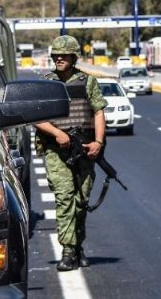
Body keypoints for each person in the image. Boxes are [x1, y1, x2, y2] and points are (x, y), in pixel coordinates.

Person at [35, 35, 108, 271]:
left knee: (81, 201)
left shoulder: (88, 82)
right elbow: (35, 116)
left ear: (73, 57)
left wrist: (98, 142)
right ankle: (67, 251)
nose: (58, 58)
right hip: (56, 151)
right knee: (65, 198)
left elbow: (98, 112)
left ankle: (77, 246)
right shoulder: (45, 83)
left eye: (63, 55)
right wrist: (57, 133)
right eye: (55, 54)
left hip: (84, 151)